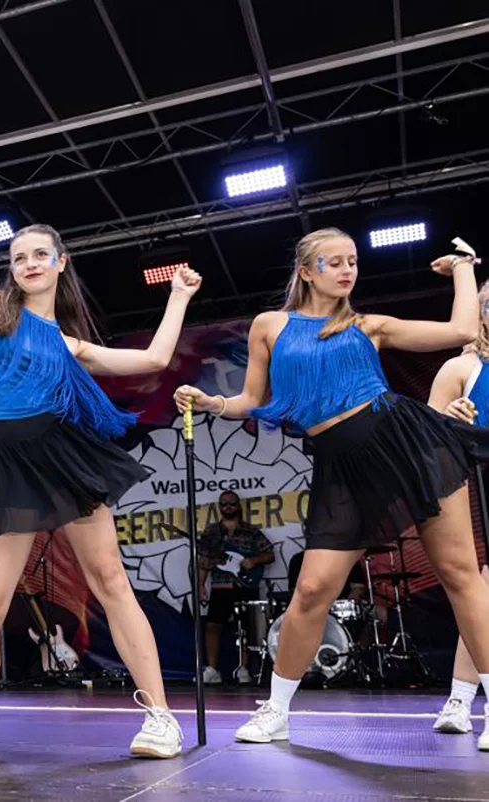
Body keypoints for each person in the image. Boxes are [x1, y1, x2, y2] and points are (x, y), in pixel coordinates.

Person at [0, 223, 201, 759]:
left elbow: (153, 361)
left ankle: (161, 718)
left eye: (39, 255)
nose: (28, 263)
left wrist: (179, 297)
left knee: (109, 581)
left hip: (59, 454)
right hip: (0, 459)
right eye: (19, 257)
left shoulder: (66, 342)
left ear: (60, 262)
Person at [174, 230, 489, 749]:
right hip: (341, 468)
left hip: (404, 444)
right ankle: (276, 710)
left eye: (353, 262)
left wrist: (462, 270)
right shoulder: (270, 327)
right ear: (305, 270)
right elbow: (252, 399)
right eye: (333, 262)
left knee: (459, 573)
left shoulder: (368, 326)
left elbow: (460, 329)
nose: (346, 271)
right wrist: (212, 403)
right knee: (314, 588)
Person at [425, 277, 489, 740]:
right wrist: (451, 421)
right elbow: (426, 434)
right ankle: (460, 699)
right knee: (484, 590)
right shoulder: (462, 368)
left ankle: (461, 697)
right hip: (480, 482)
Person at [196, 491, 274, 685]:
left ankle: (244, 669)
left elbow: (270, 554)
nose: (227, 507)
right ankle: (213, 669)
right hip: (220, 584)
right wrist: (200, 585)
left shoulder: (251, 531)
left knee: (246, 628)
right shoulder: (211, 532)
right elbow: (204, 560)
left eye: (231, 503)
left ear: (238, 506)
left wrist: (253, 560)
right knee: (212, 626)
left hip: (245, 584)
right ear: (219, 507)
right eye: (224, 504)